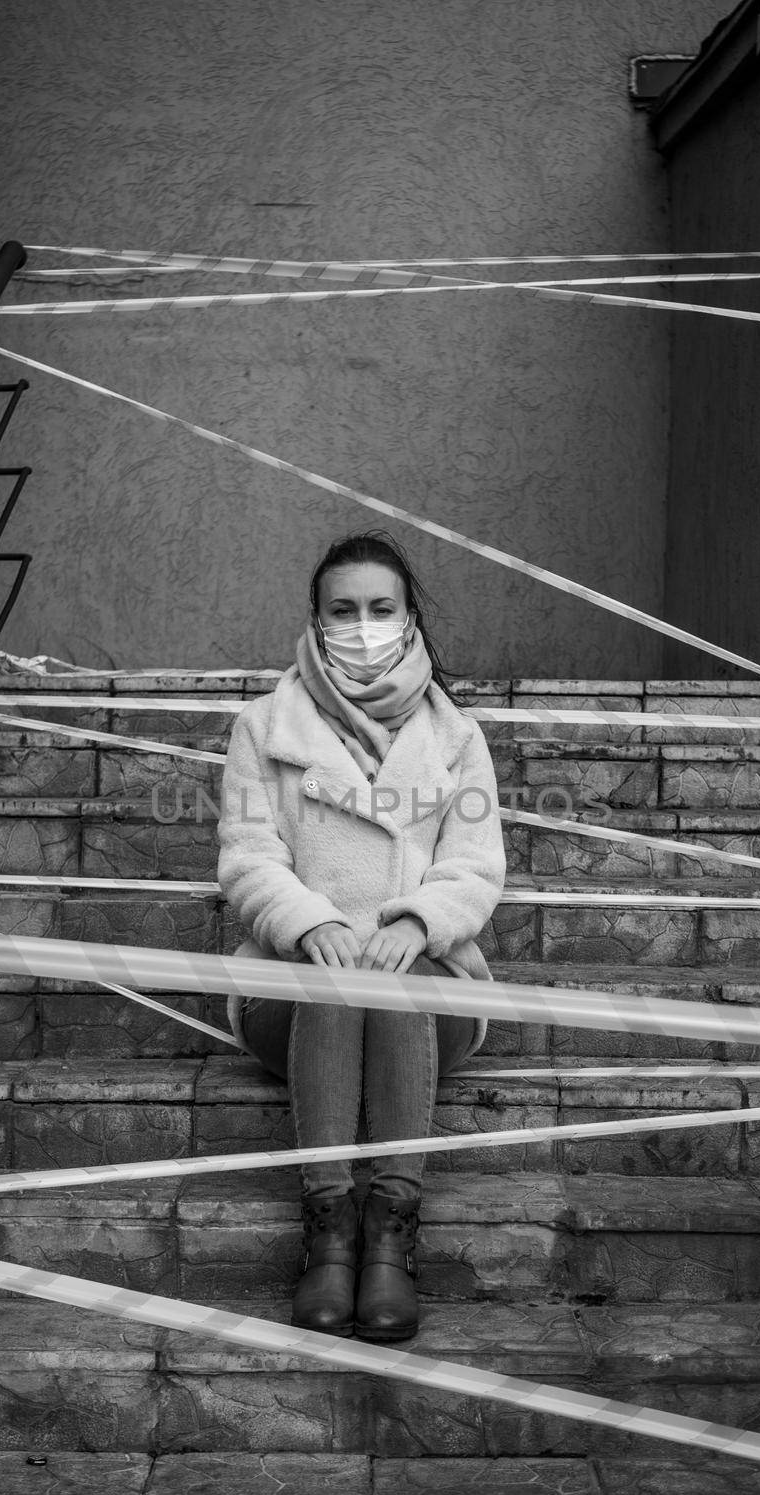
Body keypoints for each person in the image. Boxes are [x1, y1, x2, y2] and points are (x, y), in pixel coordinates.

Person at [216, 529, 506, 1342]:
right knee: (338, 986)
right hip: (292, 995)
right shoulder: (262, 728)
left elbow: (476, 867)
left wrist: (417, 923)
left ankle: (389, 1238)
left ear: (411, 618)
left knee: (391, 984)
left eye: (381, 608)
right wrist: (311, 926)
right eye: (343, 610)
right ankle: (330, 1235)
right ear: (314, 618)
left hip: (431, 991)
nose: (363, 624)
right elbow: (246, 858)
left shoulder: (456, 739)